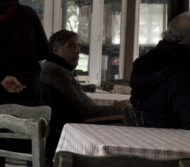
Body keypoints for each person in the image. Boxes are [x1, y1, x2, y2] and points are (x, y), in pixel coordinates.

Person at [40, 30, 127, 159]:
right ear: (55, 50)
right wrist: (115, 109)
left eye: (78, 46)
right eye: (71, 46)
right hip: (76, 130)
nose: (77, 51)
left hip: (73, 126)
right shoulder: (56, 72)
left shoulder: (56, 68)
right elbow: (83, 111)